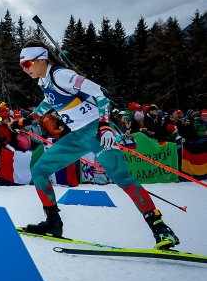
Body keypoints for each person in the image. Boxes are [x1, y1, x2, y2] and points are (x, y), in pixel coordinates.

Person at [17, 39, 179, 249]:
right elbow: (51, 99)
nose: (24, 69)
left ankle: (161, 228)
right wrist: (28, 119)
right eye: (22, 65)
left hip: (96, 131)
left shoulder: (61, 74)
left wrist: (105, 125)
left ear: (42, 59)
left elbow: (101, 94)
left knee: (122, 178)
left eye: (27, 64)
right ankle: (53, 222)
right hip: (76, 136)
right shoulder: (44, 80)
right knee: (39, 170)